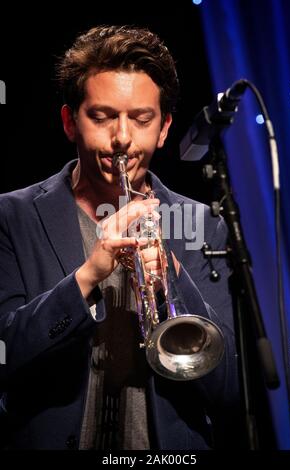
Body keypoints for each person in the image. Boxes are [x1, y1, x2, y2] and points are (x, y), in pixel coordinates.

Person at [0, 25, 241, 450]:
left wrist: (174, 274)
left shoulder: (204, 224)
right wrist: (87, 276)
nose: (123, 139)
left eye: (141, 119)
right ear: (69, 123)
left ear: (165, 128)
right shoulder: (11, 216)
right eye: (102, 116)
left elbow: (229, 390)